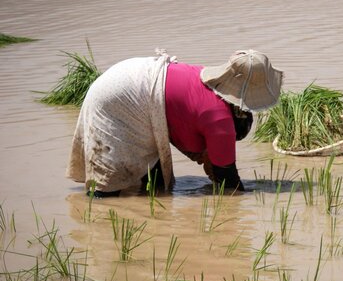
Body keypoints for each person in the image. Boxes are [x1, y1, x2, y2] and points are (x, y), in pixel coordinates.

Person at [67, 49, 283, 197]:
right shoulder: (221, 121)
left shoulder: (205, 79)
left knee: (156, 186)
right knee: (107, 190)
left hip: (127, 78)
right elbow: (230, 185)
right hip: (122, 99)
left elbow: (176, 123)